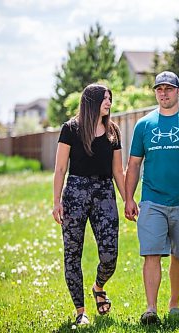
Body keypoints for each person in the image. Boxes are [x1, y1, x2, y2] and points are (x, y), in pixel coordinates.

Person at [124, 71, 179, 324]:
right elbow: (133, 165)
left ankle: (174, 304)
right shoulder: (144, 125)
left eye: (168, 88)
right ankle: (151, 309)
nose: (163, 93)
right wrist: (129, 198)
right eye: (159, 89)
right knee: (151, 253)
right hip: (152, 200)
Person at [52, 83, 125, 325]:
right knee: (72, 253)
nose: (108, 103)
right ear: (91, 101)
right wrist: (56, 202)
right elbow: (60, 168)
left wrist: (128, 200)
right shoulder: (71, 129)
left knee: (110, 254)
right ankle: (80, 311)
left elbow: (118, 171)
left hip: (104, 193)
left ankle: (98, 286)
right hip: (75, 193)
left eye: (109, 98)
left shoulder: (113, 130)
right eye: (104, 98)